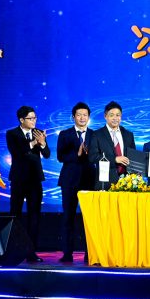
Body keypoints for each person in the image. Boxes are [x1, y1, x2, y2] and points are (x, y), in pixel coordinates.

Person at [5, 105, 50, 263]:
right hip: (18, 179)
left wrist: (42, 143)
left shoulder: (38, 133)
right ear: (21, 120)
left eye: (35, 118)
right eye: (30, 118)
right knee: (15, 214)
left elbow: (47, 154)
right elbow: (17, 153)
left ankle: (31, 251)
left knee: (34, 215)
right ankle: (13, 249)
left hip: (35, 179)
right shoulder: (12, 134)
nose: (34, 121)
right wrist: (33, 143)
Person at [57, 101, 96, 263]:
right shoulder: (65, 134)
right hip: (69, 181)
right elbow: (60, 156)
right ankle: (67, 254)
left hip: (89, 181)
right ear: (73, 117)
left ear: (89, 117)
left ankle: (90, 253)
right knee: (68, 218)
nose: (82, 118)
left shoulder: (95, 134)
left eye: (85, 115)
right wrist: (77, 154)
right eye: (79, 115)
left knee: (89, 219)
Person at [87, 101, 137, 185]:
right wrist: (115, 159)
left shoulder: (128, 135)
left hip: (127, 183)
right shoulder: (97, 135)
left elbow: (133, 157)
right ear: (105, 116)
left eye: (118, 115)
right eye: (111, 115)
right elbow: (93, 157)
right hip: (105, 183)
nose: (115, 118)